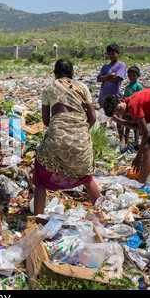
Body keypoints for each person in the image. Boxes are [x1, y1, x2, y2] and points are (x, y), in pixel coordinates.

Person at [33, 59, 100, 215]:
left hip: (57, 140)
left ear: (55, 74)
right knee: (87, 178)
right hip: (81, 142)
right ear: (73, 73)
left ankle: (37, 219)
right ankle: (103, 213)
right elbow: (93, 117)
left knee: (39, 177)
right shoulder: (82, 87)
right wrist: (81, 130)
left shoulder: (49, 88)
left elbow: (45, 121)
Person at [97, 44, 126, 145]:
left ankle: (122, 139)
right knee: (102, 118)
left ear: (118, 53)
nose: (111, 56)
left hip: (115, 96)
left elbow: (117, 79)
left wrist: (105, 77)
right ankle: (100, 138)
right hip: (103, 96)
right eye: (109, 54)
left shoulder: (121, 65)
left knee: (118, 118)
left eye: (113, 54)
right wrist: (110, 75)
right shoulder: (105, 67)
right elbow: (98, 79)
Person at [122, 66, 144, 145]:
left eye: (134, 76)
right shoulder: (127, 87)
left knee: (136, 128)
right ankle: (126, 143)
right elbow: (125, 98)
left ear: (138, 76)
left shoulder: (138, 86)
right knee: (127, 127)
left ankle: (136, 143)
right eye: (130, 76)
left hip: (135, 110)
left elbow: (141, 97)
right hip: (128, 110)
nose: (131, 77)